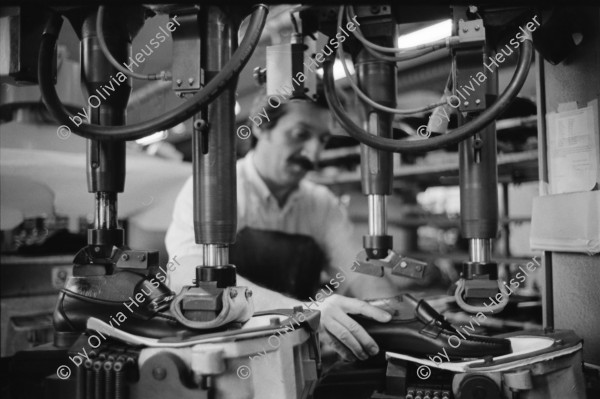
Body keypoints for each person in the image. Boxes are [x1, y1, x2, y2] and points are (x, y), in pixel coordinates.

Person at [165, 92, 401, 361]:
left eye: (322, 140)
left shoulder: (321, 203)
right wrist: (301, 312)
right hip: (223, 354)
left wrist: (392, 317)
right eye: (301, 134)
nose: (313, 152)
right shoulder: (215, 191)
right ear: (261, 127)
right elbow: (186, 274)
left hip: (297, 354)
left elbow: (359, 271)